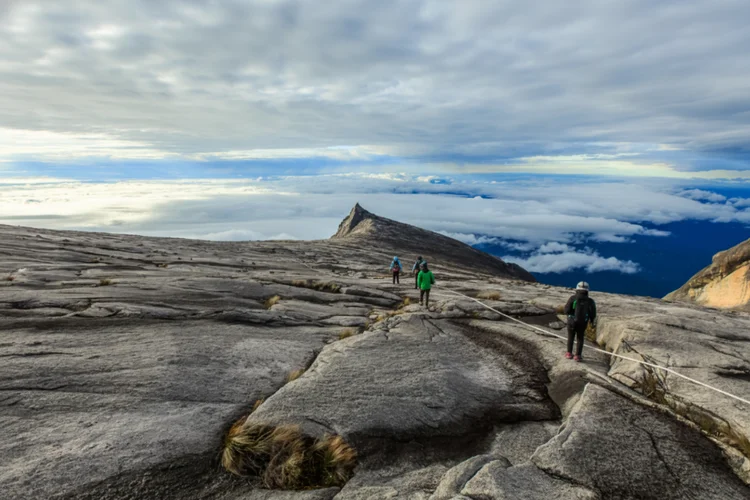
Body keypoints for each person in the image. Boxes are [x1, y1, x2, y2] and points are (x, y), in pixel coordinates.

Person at [563, 281, 597, 362]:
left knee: (570, 337)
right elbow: (593, 313)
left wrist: (569, 315)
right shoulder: (590, 301)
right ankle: (578, 355)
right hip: (582, 323)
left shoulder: (572, 298)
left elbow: (566, 310)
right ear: (587, 290)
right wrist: (591, 320)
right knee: (580, 338)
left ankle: (569, 353)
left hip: (571, 321)